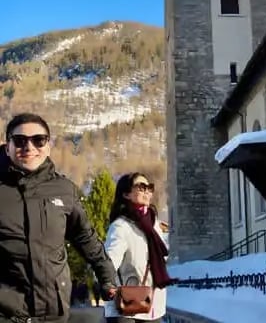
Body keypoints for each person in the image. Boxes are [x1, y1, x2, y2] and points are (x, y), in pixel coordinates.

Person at [0, 113, 117, 323]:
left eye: (38, 140)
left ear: (48, 146)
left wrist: (107, 278)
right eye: (19, 141)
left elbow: (86, 238)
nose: (29, 147)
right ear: (7, 145)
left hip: (53, 311)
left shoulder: (64, 190)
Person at [104, 173, 172, 323]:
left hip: (153, 305)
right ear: (126, 194)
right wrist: (107, 285)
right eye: (141, 187)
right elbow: (107, 263)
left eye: (149, 187)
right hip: (125, 306)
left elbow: (161, 258)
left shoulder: (154, 225)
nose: (147, 191)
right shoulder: (121, 227)